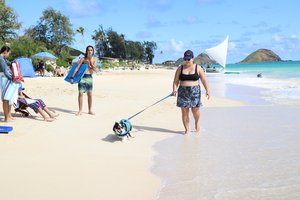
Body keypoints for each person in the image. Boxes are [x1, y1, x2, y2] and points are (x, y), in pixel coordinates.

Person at [172, 50, 210, 134]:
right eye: (185, 59)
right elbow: (175, 81)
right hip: (183, 92)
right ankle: (187, 129)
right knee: (185, 112)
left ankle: (196, 124)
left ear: (192, 58)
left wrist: (208, 90)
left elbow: (204, 80)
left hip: (195, 92)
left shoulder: (198, 68)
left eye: (189, 59)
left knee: (195, 111)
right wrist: (174, 90)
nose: (187, 61)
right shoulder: (180, 68)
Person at [70, 45, 97, 116]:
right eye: (88, 50)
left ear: (93, 51)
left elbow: (95, 69)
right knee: (81, 94)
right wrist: (72, 77)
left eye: (91, 50)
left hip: (89, 77)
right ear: (86, 51)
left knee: (90, 95)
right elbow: (77, 68)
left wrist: (90, 63)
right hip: (82, 77)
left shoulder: (94, 59)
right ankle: (80, 110)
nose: (90, 51)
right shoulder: (83, 59)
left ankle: (90, 110)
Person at [0, 46, 21, 122]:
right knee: (5, 98)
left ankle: (8, 116)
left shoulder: (3, 59)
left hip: (5, 78)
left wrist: (14, 63)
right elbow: (5, 71)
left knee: (8, 98)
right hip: (4, 79)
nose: (9, 55)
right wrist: (14, 79)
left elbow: (9, 63)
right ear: (5, 52)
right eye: (9, 53)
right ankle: (6, 118)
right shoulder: (1, 59)